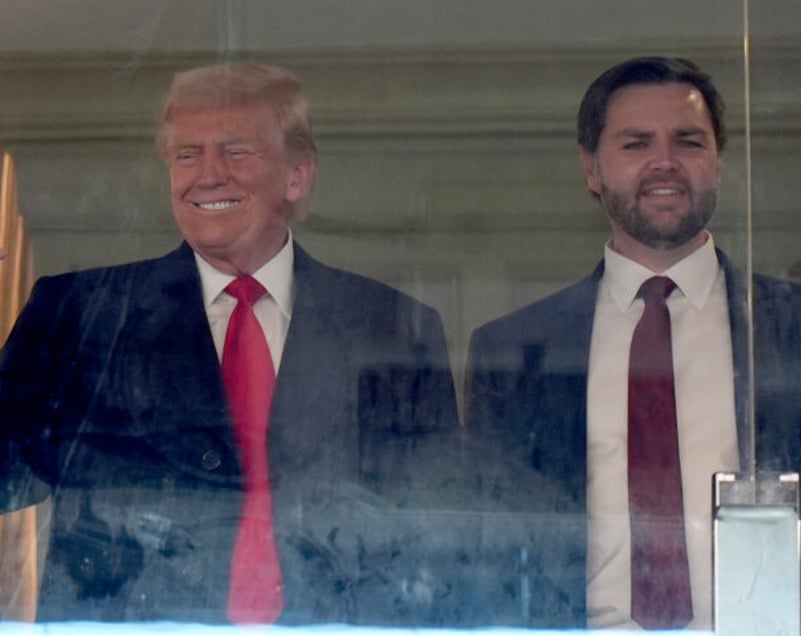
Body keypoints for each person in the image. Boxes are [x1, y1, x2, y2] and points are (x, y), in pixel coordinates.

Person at [0, 64, 460, 624]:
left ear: (297, 176)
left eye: (236, 151)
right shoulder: (82, 313)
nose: (207, 175)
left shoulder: (391, 326)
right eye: (187, 155)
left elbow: (437, 533)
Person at [465, 56, 801, 633]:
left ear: (718, 165)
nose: (664, 162)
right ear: (591, 169)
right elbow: (487, 549)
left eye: (688, 142)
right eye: (636, 143)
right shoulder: (513, 350)